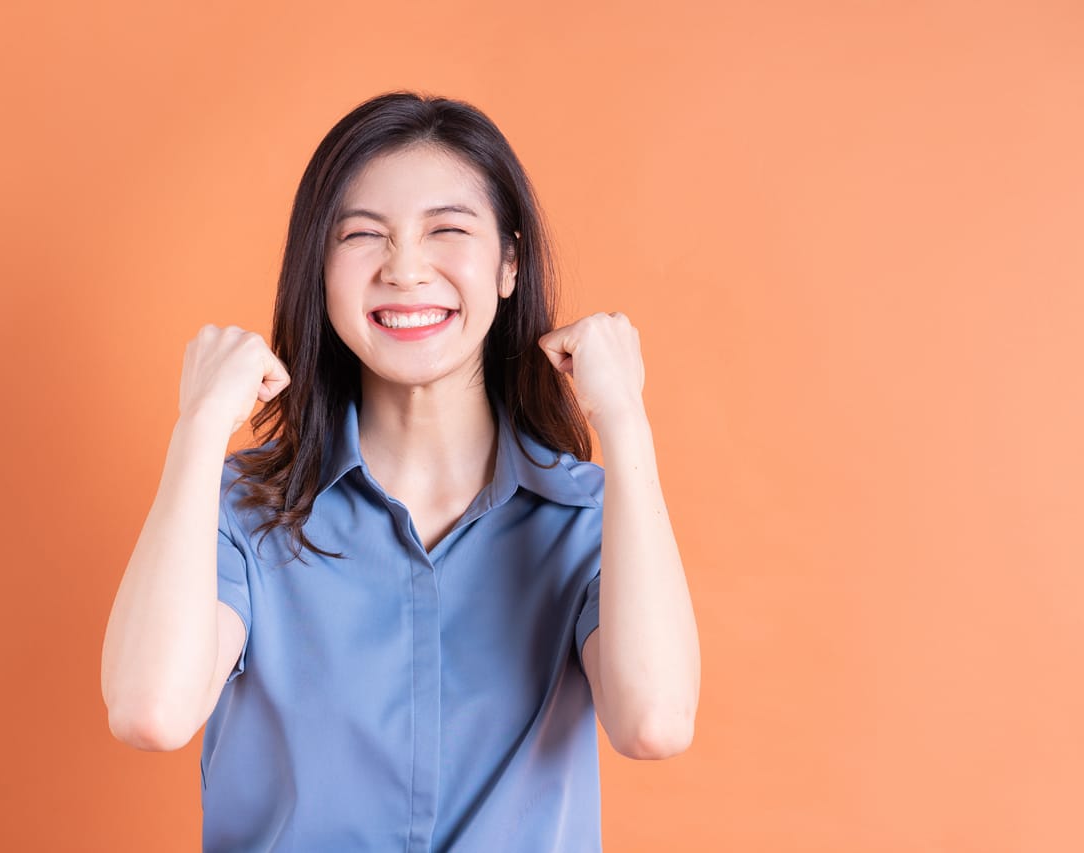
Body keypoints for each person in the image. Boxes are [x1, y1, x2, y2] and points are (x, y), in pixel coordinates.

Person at [101, 91, 700, 852]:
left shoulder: (587, 517)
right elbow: (150, 709)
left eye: (446, 230)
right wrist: (197, 427)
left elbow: (653, 722)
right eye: (362, 235)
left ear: (509, 262)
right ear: (319, 270)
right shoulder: (245, 509)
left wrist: (622, 416)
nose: (406, 270)